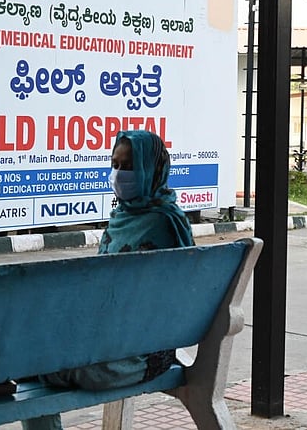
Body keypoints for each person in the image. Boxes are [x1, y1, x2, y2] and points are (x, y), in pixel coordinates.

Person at [22, 130, 194, 430]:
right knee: (31, 360)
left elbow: (171, 304)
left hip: (141, 355)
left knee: (36, 365)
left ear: (151, 169)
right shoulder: (122, 217)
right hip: (106, 342)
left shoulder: (165, 224)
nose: (117, 174)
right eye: (114, 164)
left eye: (127, 166)